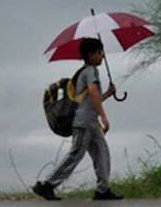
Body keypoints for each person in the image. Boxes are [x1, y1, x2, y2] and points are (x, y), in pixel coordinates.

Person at [33, 37, 123, 201]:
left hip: (91, 122)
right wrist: (104, 116)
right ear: (91, 55)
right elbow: (93, 92)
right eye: (100, 52)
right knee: (75, 154)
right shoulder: (91, 71)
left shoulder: (84, 72)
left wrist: (108, 94)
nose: (103, 56)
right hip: (83, 123)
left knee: (102, 153)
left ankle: (103, 190)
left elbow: (90, 100)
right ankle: (46, 185)